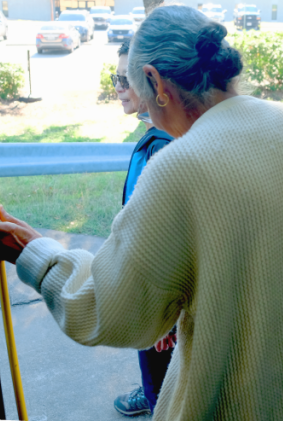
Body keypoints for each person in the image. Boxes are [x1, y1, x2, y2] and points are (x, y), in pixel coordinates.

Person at [0, 5, 283, 421]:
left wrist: (36, 254)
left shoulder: (179, 166)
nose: (150, 115)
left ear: (155, 81)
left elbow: (109, 310)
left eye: (144, 101)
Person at [110, 39, 177, 417]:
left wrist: (162, 312)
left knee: (159, 369)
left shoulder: (162, 150)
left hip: (156, 294)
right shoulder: (158, 135)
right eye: (115, 77)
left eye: (124, 78)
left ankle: (156, 404)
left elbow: (162, 240)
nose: (118, 87)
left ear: (153, 81)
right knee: (162, 366)